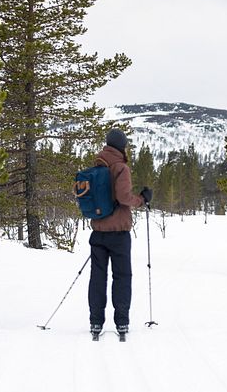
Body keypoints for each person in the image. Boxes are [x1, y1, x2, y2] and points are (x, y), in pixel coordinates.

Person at [88, 128, 152, 338]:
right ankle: (121, 322)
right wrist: (142, 200)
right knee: (122, 277)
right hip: (119, 233)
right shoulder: (121, 168)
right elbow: (124, 198)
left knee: (98, 277)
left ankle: (96, 322)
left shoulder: (98, 164)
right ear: (122, 146)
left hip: (98, 232)